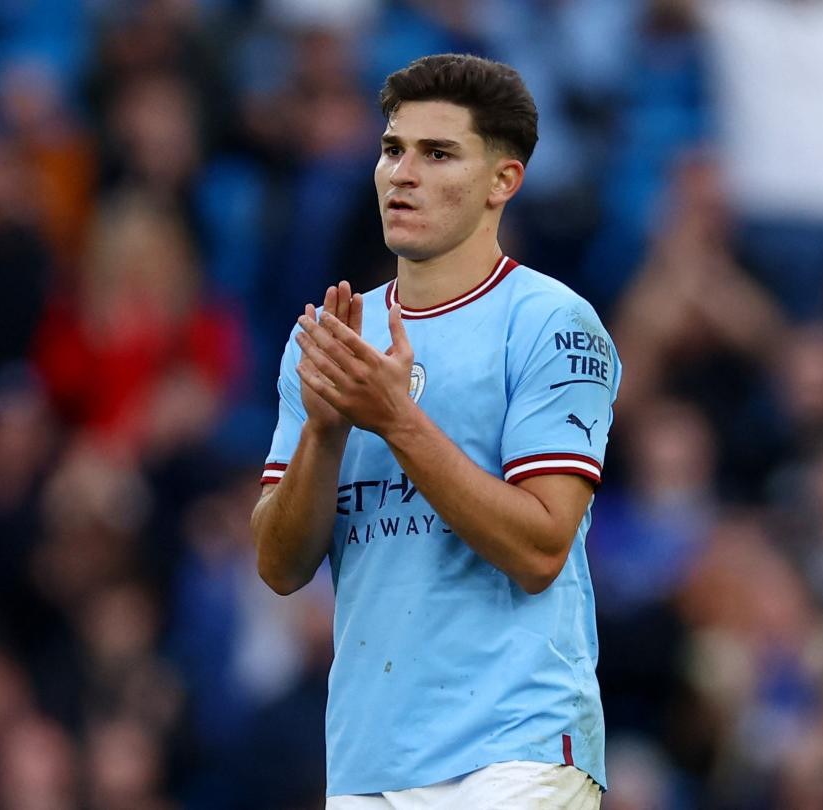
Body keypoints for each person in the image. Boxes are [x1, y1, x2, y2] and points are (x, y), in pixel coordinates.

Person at [250, 53, 620, 808]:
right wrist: (324, 431)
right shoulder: (328, 341)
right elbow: (281, 567)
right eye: (392, 150)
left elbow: (541, 547)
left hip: (516, 750)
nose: (401, 174)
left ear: (502, 181)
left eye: (437, 153)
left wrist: (394, 420)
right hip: (367, 760)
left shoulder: (551, 322)